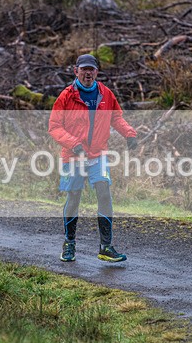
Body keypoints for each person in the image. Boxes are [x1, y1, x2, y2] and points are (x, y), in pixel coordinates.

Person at [48, 53, 138, 262]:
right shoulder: (66, 96)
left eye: (91, 69)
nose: (88, 73)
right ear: (76, 71)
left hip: (98, 154)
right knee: (74, 197)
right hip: (73, 156)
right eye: (84, 69)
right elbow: (54, 127)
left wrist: (129, 134)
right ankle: (69, 244)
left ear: (97, 72)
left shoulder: (105, 94)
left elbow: (116, 117)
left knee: (104, 192)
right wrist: (74, 144)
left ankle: (106, 247)